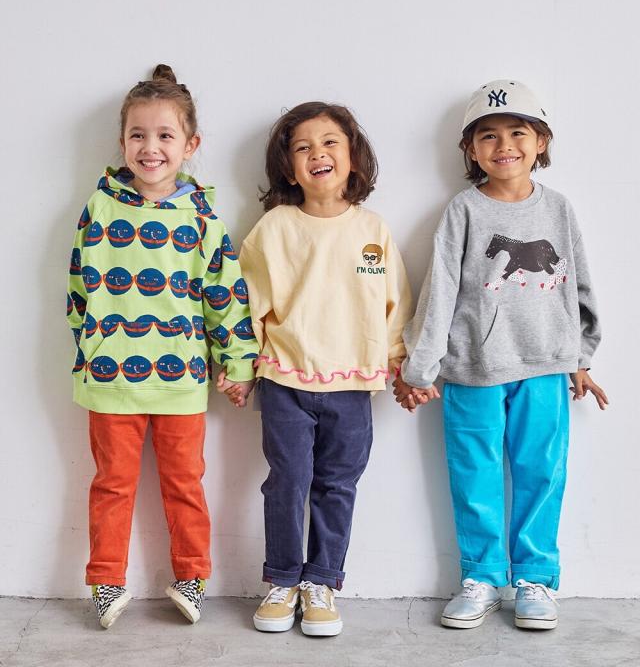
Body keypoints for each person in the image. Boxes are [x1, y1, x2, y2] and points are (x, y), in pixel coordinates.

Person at [394, 79, 608, 631]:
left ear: (541, 142)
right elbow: (440, 291)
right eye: (488, 135)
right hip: (472, 369)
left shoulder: (558, 210)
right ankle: (482, 577)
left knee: (541, 472)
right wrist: (420, 368)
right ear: (470, 149)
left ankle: (535, 577)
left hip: (545, 366)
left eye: (518, 132)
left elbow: (578, 284)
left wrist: (580, 358)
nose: (504, 145)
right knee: (474, 475)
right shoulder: (462, 211)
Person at [66, 64, 258, 628]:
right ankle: (106, 582)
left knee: (184, 484)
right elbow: (78, 289)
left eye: (165, 135)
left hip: (181, 382)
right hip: (110, 379)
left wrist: (238, 363)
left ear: (190, 145)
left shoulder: (203, 218)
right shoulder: (99, 208)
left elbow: (224, 295)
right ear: (123, 142)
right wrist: (89, 350)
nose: (150, 148)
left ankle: (192, 576)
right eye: (138, 135)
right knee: (111, 485)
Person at [240, 102, 412, 636]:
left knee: (337, 484)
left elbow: (395, 305)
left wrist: (399, 364)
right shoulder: (273, 229)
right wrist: (240, 367)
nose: (318, 153)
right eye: (303, 147)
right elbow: (249, 303)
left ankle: (321, 582)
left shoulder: (373, 230)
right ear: (289, 168)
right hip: (285, 379)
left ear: (353, 157)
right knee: (287, 482)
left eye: (330, 142)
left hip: (354, 385)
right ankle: (283, 580)